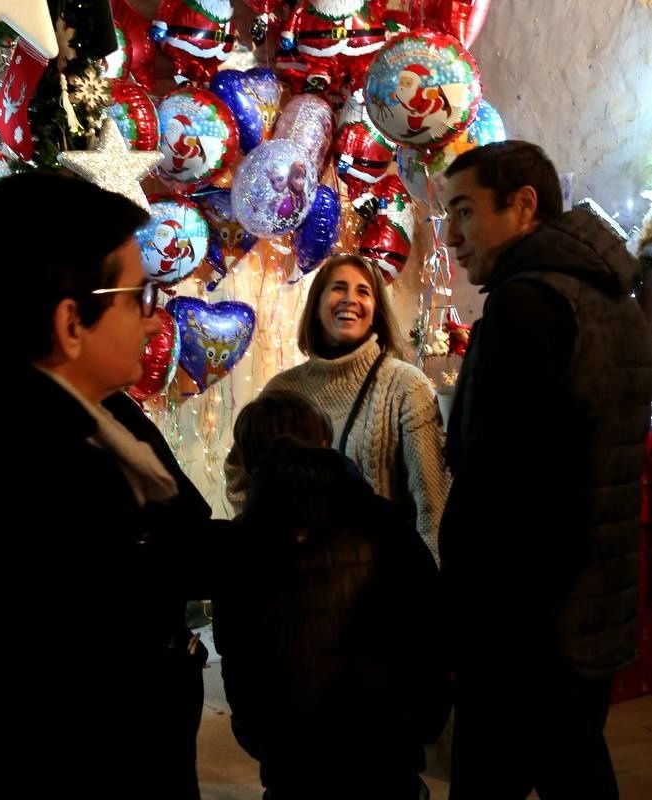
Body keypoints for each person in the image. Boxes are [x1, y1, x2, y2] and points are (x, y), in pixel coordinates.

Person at [0, 171, 213, 800]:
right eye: (138, 297)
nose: (151, 320)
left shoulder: (93, 424)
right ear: (71, 324)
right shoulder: (50, 478)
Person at [438, 140, 652, 799]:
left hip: (523, 626)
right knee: (575, 765)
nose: (452, 236)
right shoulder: (609, 297)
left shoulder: (525, 303)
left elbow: (506, 484)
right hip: (586, 605)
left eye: (465, 211)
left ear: (523, 206)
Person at [214, 389, 451, 800]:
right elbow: (431, 635)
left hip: (292, 770)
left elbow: (240, 667)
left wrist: (266, 743)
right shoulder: (384, 523)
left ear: (252, 463)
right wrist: (422, 725)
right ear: (322, 445)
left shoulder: (239, 545)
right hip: (389, 759)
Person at [224, 253, 449, 559]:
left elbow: (433, 507)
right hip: (295, 589)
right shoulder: (283, 390)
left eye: (363, 292)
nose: (350, 300)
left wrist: (427, 588)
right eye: (338, 288)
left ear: (375, 312)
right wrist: (270, 541)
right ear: (316, 306)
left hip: (377, 588)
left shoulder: (407, 387)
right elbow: (239, 475)